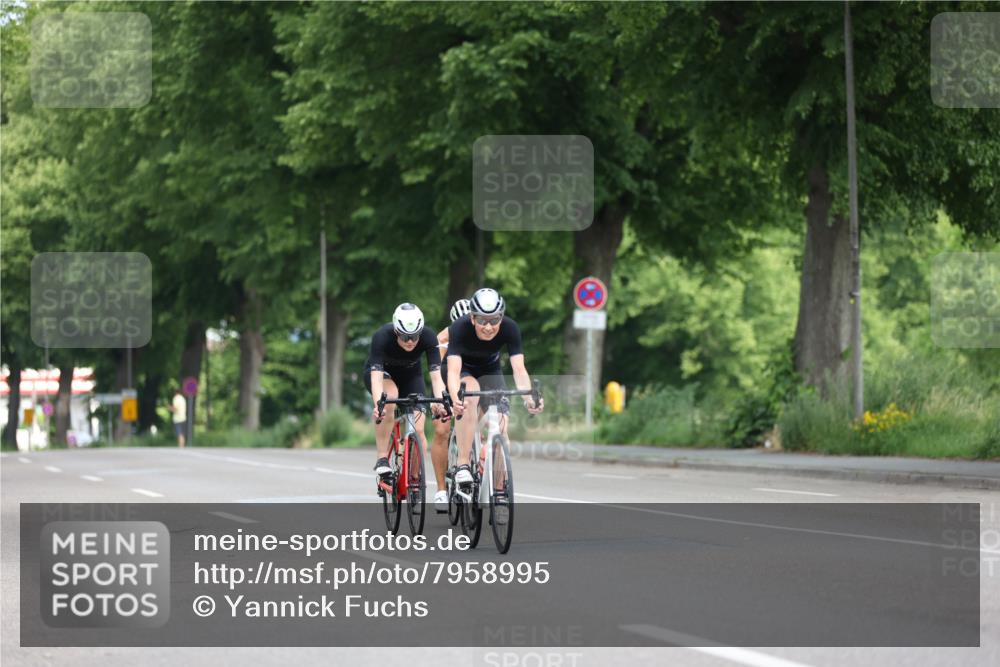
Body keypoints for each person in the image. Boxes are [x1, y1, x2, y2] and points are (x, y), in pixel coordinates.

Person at [446, 288, 543, 485]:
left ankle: (498, 493)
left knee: (499, 429)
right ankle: (463, 464)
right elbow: (453, 372)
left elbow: (519, 369)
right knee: (469, 395)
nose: (489, 327)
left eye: (495, 320)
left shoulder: (510, 328)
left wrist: (528, 399)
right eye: (482, 320)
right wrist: (456, 398)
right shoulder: (459, 328)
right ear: (472, 318)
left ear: (502, 317)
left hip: (490, 371)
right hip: (464, 370)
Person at [365, 303, 447, 478]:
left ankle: (414, 480)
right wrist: (379, 406)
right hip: (383, 375)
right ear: (396, 331)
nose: (410, 341)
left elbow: (436, 377)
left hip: (410, 375)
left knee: (418, 429)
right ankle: (382, 458)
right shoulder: (381, 336)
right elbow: (376, 378)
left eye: (414, 336)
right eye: (404, 337)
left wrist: (441, 401)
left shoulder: (429, 337)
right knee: (390, 397)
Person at [429, 298, 471, 512]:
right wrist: (441, 399)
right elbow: (438, 373)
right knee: (441, 430)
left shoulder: (481, 332)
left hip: (468, 380)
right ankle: (441, 489)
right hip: (445, 381)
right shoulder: (443, 338)